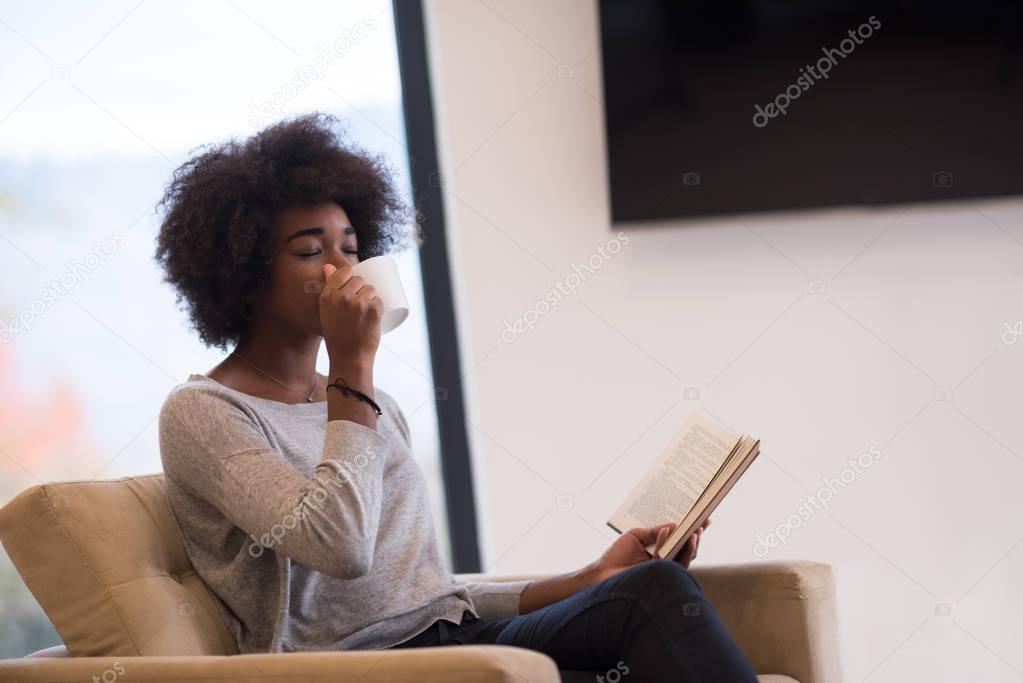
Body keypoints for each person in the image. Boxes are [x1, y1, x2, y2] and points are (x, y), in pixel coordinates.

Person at [155, 112, 758, 681]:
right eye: (312, 252)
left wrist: (595, 575)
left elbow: (432, 596)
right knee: (655, 597)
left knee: (646, 596)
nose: (344, 270)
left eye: (351, 247)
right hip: (364, 667)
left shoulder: (371, 403)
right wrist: (353, 364)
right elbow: (339, 547)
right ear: (241, 273)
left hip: (450, 642)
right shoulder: (208, 413)